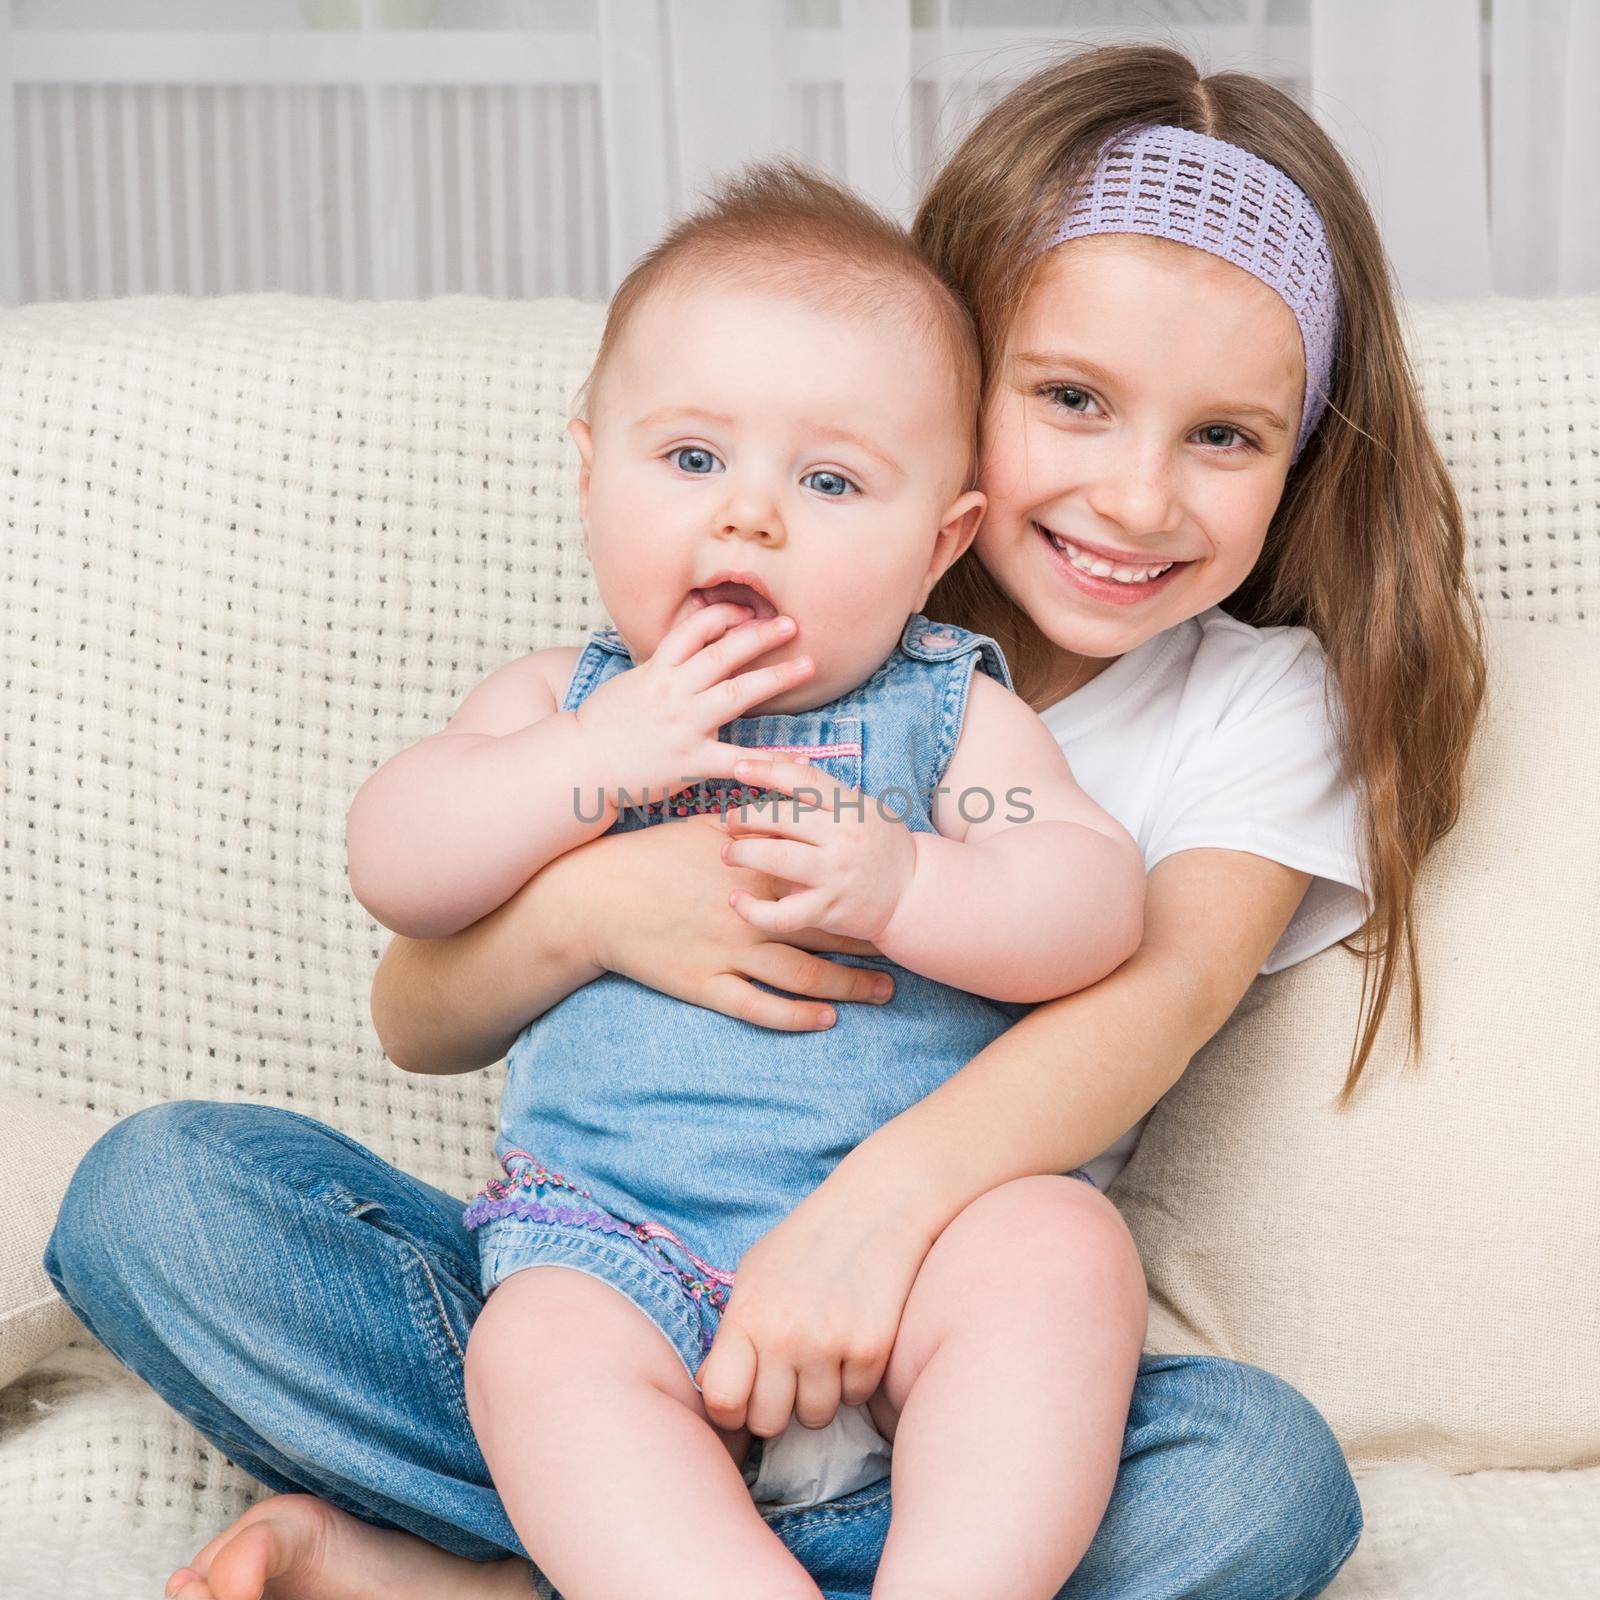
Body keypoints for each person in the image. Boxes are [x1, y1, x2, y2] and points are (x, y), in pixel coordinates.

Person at [44, 40, 1486, 1600]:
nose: (1137, 498)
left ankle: (538, 1574)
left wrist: (901, 913)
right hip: (616, 1273)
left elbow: (1133, 965)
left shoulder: (1076, 712)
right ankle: (656, 1543)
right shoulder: (634, 678)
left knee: (1256, 1474)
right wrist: (604, 893)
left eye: (1225, 436)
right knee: (167, 1201)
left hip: (935, 1351)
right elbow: (415, 991)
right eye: (1071, 398)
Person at [343, 156, 1148, 1600]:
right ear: (592, 477)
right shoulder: (559, 705)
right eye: (693, 459)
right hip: (615, 1252)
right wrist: (598, 760)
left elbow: (1092, 896)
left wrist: (912, 887)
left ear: (936, 546)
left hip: (907, 1272)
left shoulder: (951, 715)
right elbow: (396, 861)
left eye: (831, 481)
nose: (750, 518)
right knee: (531, 1350)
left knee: (1066, 1249)